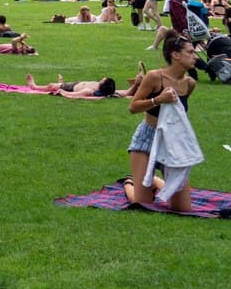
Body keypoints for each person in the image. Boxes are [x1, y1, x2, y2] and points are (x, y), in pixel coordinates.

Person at [124, 34, 198, 211]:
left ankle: (156, 181)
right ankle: (129, 182)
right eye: (191, 52)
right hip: (147, 139)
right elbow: (133, 107)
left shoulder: (189, 83)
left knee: (183, 209)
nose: (195, 56)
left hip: (172, 142)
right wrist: (158, 100)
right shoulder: (155, 77)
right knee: (143, 205)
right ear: (176, 55)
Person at [27, 73, 118, 98]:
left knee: (51, 86)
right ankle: (60, 83)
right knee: (58, 84)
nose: (104, 77)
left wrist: (62, 92)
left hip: (70, 88)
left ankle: (34, 86)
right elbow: (120, 92)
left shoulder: (90, 91)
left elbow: (75, 95)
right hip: (75, 84)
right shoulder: (98, 86)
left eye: (104, 79)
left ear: (103, 84)